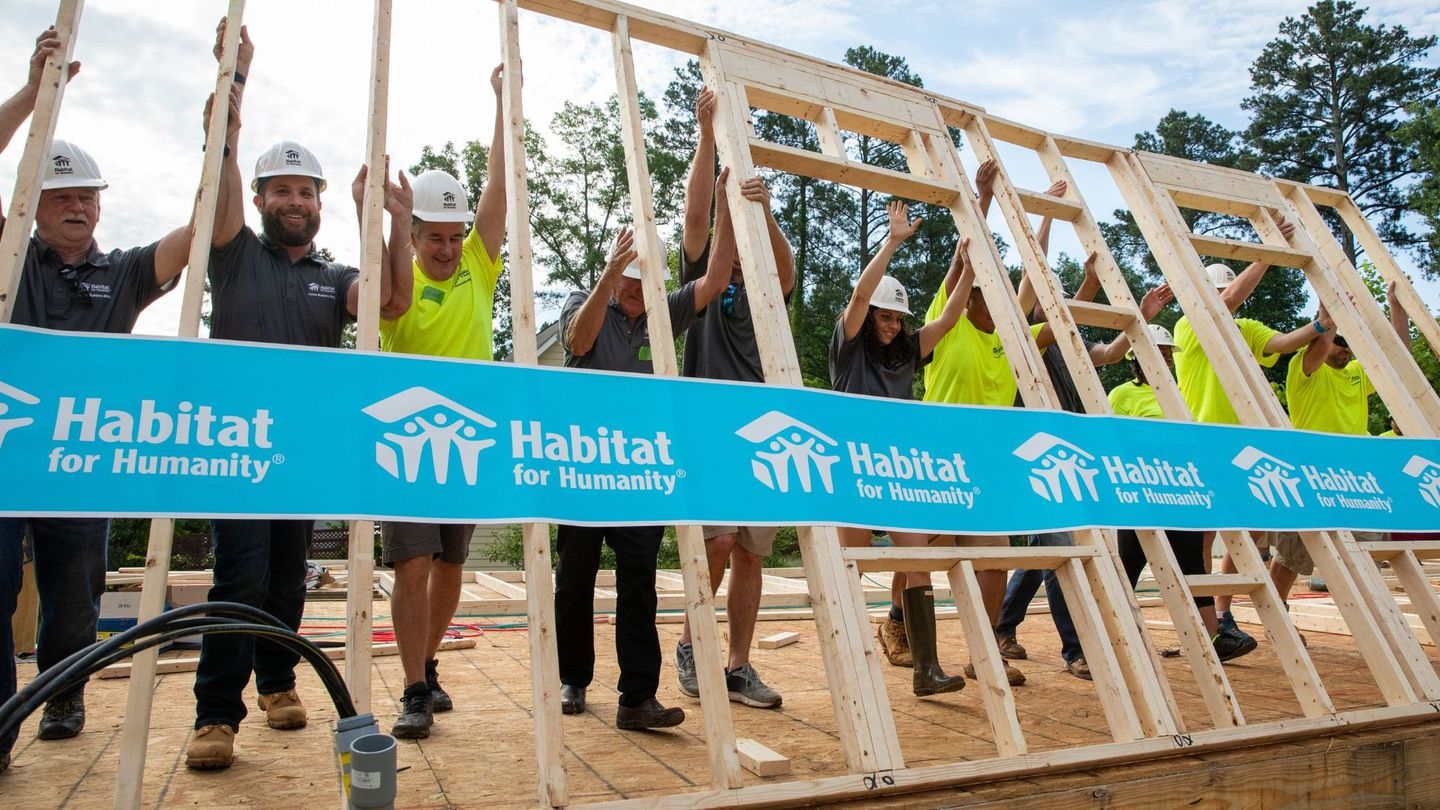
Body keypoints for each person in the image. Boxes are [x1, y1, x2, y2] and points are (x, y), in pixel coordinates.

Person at [185, 21, 411, 770]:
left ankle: (278, 683)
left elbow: (392, 304)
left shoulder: (334, 272)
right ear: (257, 198)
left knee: (287, 573)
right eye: (281, 188)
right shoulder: (234, 250)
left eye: (305, 190)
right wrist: (233, 83)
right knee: (239, 571)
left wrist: (388, 220)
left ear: (317, 201)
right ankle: (217, 714)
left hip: (302, 444)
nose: (294, 199)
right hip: (237, 443)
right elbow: (214, 166)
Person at [0, 27, 194, 772]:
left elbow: (195, 235)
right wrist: (32, 92)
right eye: (61, 196)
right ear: (35, 203)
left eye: (87, 196)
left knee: (74, 590)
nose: (77, 206)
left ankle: (63, 694)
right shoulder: (12, 251)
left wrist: (222, 135)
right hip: (8, 450)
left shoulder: (121, 274)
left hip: (79, 458)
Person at [554, 175, 733, 729]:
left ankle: (637, 697)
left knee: (640, 582)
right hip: (583, 467)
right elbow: (578, 345)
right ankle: (574, 679)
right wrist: (609, 274)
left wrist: (723, 205)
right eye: (628, 284)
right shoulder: (584, 302)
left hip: (638, 472)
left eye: (642, 283)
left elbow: (717, 277)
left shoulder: (661, 309)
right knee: (575, 580)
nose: (635, 293)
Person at [991, 190, 1171, 680]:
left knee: (1046, 548)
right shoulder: (1022, 335)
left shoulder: (1069, 346)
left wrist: (1143, 317)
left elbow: (1110, 354)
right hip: (1033, 454)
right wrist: (1045, 216)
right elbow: (1037, 278)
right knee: (1063, 548)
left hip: (1068, 453)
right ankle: (1076, 650)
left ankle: (1002, 627)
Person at [381, 65, 510, 739]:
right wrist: (388, 219)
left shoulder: (476, 270)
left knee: (453, 562)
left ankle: (427, 667)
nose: (448, 245)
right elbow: (383, 293)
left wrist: (498, 102)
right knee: (411, 561)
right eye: (435, 234)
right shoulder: (396, 277)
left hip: (465, 441)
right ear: (413, 233)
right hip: (405, 441)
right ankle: (408, 690)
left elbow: (498, 189)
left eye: (454, 234)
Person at [673, 87, 795, 711]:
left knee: (751, 549)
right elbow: (697, 223)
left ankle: (740, 664)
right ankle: (694, 642)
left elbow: (789, 269)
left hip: (763, 430)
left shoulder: (767, 292)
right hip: (709, 427)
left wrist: (764, 209)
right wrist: (705, 138)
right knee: (716, 542)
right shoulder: (705, 282)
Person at [832, 200, 976, 697]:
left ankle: (926, 670)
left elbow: (952, 316)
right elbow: (859, 294)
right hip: (851, 467)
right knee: (850, 562)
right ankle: (850, 665)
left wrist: (970, 272)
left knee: (916, 555)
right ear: (870, 315)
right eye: (885, 317)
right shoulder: (848, 346)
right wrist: (892, 242)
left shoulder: (908, 352)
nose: (892, 325)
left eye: (898, 319)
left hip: (896, 471)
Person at [1173, 238, 1328, 656]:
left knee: (1251, 534)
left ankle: (1223, 615)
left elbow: (1281, 343)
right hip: (1204, 440)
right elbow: (1224, 301)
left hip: (1246, 446)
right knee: (1203, 539)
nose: (1228, 301)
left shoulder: (1245, 328)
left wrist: (1320, 325)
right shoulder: (1188, 324)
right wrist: (1267, 254)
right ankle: (1204, 621)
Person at [1105, 324, 1249, 659]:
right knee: (1129, 567)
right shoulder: (1122, 395)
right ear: (1135, 357)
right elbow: (1115, 444)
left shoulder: (1181, 392)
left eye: (1168, 354)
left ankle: (1214, 639)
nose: (1165, 359)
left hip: (1183, 494)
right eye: (1160, 352)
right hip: (1143, 494)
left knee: (1192, 566)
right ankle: (1112, 640)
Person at [1269, 286, 1408, 605]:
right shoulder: (1304, 369)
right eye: (1339, 344)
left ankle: (1376, 620)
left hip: (1355, 480)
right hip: (1310, 475)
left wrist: (1396, 308)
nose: (1345, 352)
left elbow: (1398, 361)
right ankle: (1279, 618)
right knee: (1291, 557)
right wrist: (1328, 317)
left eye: (1349, 346)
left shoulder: (1357, 374)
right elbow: (1318, 350)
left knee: (1367, 555)